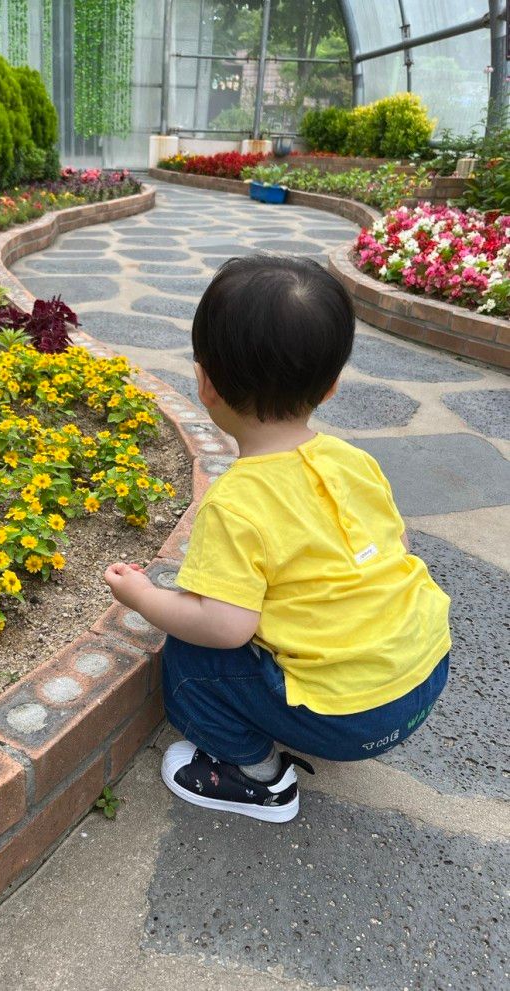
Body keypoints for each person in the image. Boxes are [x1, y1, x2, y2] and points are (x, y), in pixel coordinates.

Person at [103, 254, 451, 823]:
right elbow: (398, 549)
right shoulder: (353, 460)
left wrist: (142, 598)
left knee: (189, 657)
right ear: (333, 385)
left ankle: (258, 777)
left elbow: (225, 625)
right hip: (426, 674)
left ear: (205, 384)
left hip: (353, 719)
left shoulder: (237, 501)